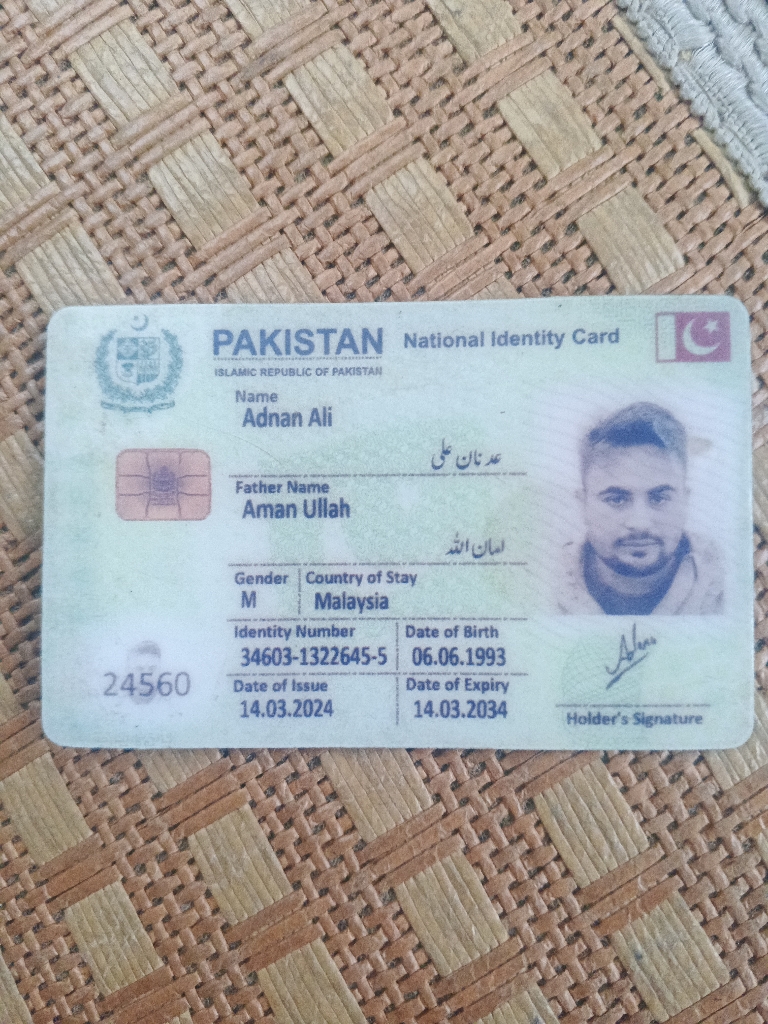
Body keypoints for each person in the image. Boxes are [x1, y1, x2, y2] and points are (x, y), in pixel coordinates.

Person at [558, 403, 723, 614]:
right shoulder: (540, 583)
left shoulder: (732, 583)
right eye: (616, 499)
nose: (640, 523)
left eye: (659, 498)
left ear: (685, 501)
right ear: (583, 504)